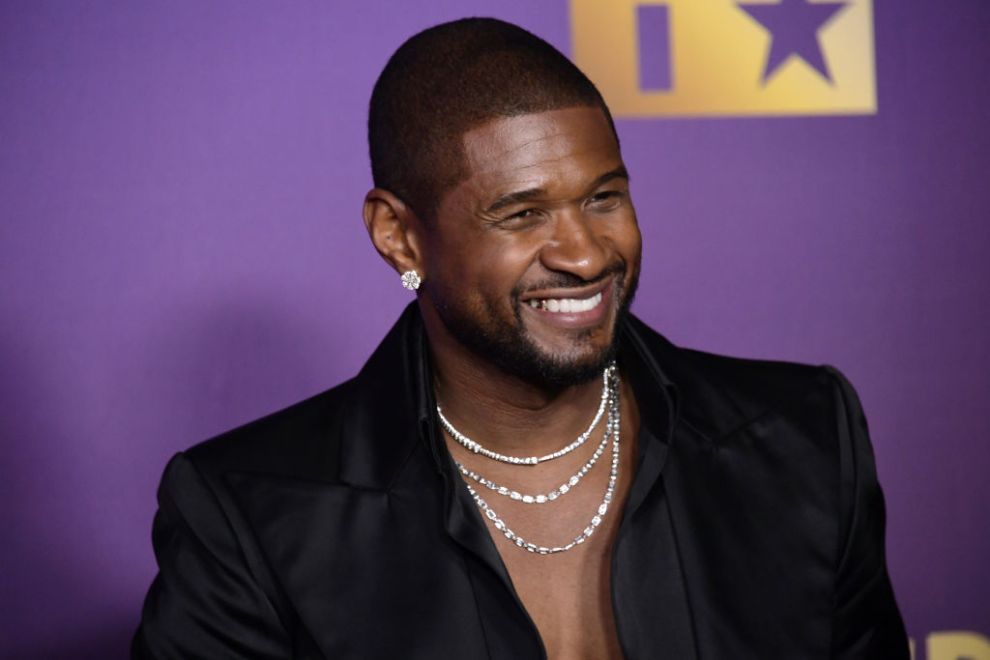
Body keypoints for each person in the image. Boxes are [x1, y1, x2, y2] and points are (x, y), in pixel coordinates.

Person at [133, 17, 909, 659]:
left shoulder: (806, 438)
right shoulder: (248, 514)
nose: (587, 255)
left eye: (603, 198)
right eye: (523, 214)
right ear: (399, 236)